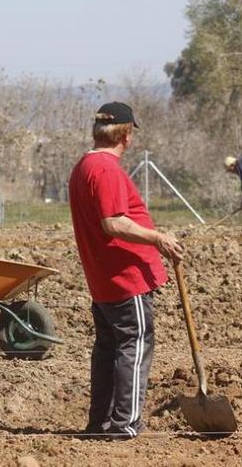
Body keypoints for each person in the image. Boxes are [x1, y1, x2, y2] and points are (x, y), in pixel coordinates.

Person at [68, 102, 185, 439]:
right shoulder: (105, 170)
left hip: (104, 278)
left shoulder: (84, 167)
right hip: (124, 278)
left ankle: (100, 423)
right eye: (131, 132)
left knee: (108, 349)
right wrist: (158, 238)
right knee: (134, 345)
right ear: (125, 135)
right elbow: (113, 222)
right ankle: (125, 424)